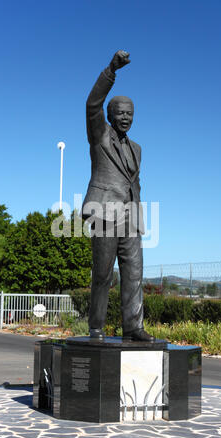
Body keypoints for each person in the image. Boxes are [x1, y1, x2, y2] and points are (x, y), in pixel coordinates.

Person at [82, 50, 154, 342]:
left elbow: (134, 183)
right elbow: (92, 103)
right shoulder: (99, 134)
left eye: (130, 114)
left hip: (131, 219)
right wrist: (112, 69)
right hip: (105, 214)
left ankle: (133, 326)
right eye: (120, 113)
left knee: (134, 274)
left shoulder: (137, 148)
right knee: (102, 275)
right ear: (110, 116)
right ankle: (96, 327)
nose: (125, 117)